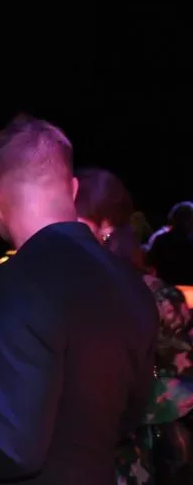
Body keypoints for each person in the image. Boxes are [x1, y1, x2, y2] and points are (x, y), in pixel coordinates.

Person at [0, 116, 158, 484]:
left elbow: (8, 448)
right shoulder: (131, 283)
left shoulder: (21, 277)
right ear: (72, 189)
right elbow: (127, 413)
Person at [74, 168, 193, 484]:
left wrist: (127, 397)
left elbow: (183, 384)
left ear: (105, 229)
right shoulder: (68, 287)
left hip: (138, 461)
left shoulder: (155, 297)